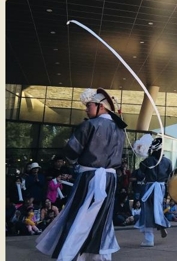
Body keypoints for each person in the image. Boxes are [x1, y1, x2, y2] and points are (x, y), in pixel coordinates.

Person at [36, 87, 127, 261]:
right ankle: (99, 256)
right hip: (109, 178)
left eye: (89, 105)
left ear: (101, 106)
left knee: (79, 216)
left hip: (90, 177)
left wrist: (68, 150)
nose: (86, 108)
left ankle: (69, 255)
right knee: (102, 218)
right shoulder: (119, 129)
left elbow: (71, 152)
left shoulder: (90, 125)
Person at [135, 137, 172, 247]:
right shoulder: (168, 162)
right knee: (158, 210)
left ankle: (149, 239)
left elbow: (140, 175)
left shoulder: (147, 161)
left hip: (149, 188)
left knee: (147, 212)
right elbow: (169, 177)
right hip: (161, 188)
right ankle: (161, 225)